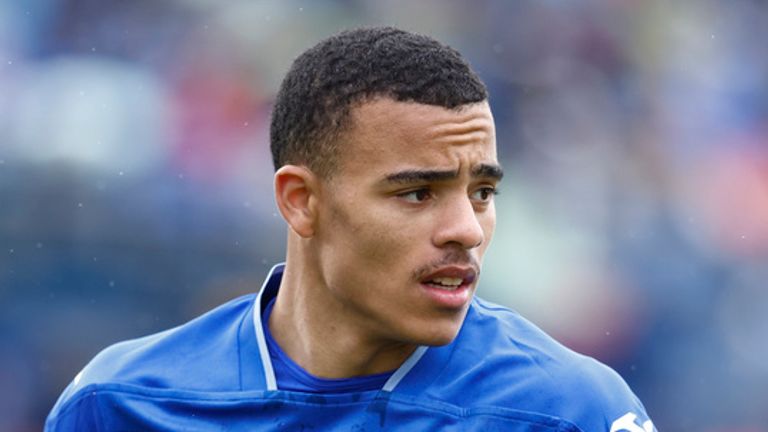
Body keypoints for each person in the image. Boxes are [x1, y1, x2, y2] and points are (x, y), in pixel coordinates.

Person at [46, 27, 655, 431]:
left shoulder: (570, 413)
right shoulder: (120, 405)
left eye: (483, 192)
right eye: (418, 192)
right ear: (301, 201)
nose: (467, 230)